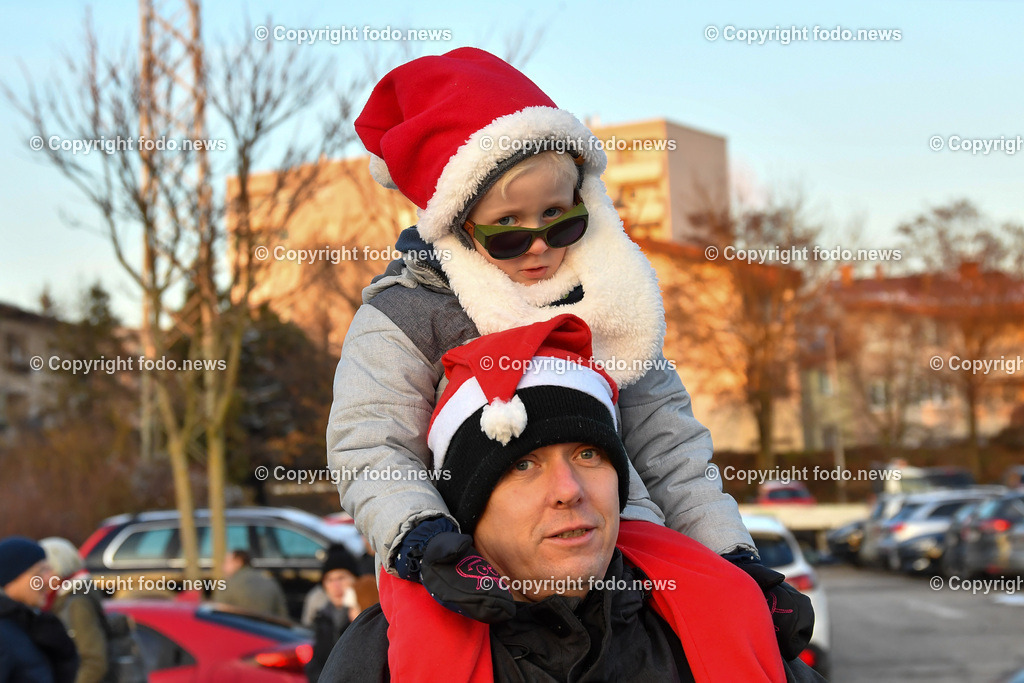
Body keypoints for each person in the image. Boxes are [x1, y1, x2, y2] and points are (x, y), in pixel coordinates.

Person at [328, 46, 808, 643]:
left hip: (624, 581)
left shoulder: (607, 301)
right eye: (508, 232)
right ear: (457, 224)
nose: (539, 248)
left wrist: (732, 561)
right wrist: (423, 538)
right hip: (467, 587)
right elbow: (370, 443)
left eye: (560, 219)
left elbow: (671, 448)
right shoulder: (406, 314)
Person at [321, 316, 823, 681]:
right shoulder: (382, 660)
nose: (569, 490)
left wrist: (733, 566)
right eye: (522, 465)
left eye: (589, 454)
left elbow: (678, 461)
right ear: (467, 504)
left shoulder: (716, 629)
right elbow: (366, 444)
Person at [0, 536, 79, 683]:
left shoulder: (30, 626)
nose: (48, 580)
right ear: (11, 579)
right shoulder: (4, 635)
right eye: (40, 572)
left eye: (48, 570)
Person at [41, 538, 109, 683]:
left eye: (46, 569)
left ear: (60, 567)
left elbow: (94, 663)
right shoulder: (59, 599)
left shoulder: (77, 603)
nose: (41, 578)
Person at [305, 545, 362, 682]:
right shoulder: (321, 618)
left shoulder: (367, 617)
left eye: (341, 578)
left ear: (355, 579)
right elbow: (316, 664)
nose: (335, 586)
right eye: (329, 580)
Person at [213, 550, 288, 619]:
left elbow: (219, 617)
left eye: (226, 562)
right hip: (267, 631)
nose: (223, 567)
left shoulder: (227, 585)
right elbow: (283, 615)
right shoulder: (270, 581)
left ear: (238, 562)